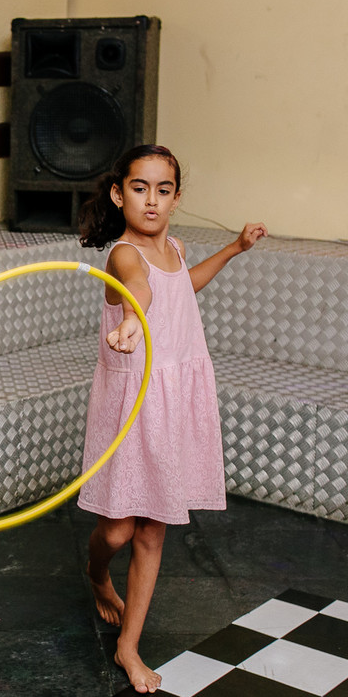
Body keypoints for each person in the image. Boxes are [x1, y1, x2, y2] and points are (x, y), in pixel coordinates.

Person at [76, 144, 267, 694]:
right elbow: (139, 286)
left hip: (177, 398)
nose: (152, 200)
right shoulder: (122, 254)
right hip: (136, 401)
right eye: (140, 188)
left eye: (163, 190)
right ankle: (95, 573)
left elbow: (182, 285)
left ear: (177, 198)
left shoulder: (177, 248)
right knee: (115, 529)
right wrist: (134, 321)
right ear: (119, 194)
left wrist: (233, 248)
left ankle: (128, 646)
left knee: (153, 531)